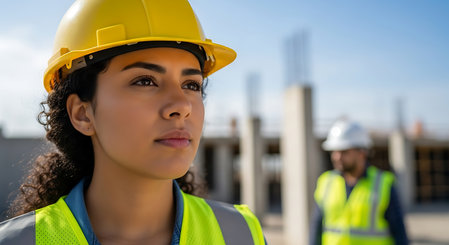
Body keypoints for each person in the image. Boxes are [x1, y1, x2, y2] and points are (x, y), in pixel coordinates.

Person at [0, 0, 265, 244]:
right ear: (82, 113)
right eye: (145, 81)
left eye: (191, 84)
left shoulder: (241, 234)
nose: (182, 106)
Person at [310, 119, 408, 245]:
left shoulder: (383, 183)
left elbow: (399, 234)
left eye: (344, 151)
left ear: (362, 153)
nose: (337, 157)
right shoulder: (326, 182)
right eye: (334, 151)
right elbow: (316, 228)